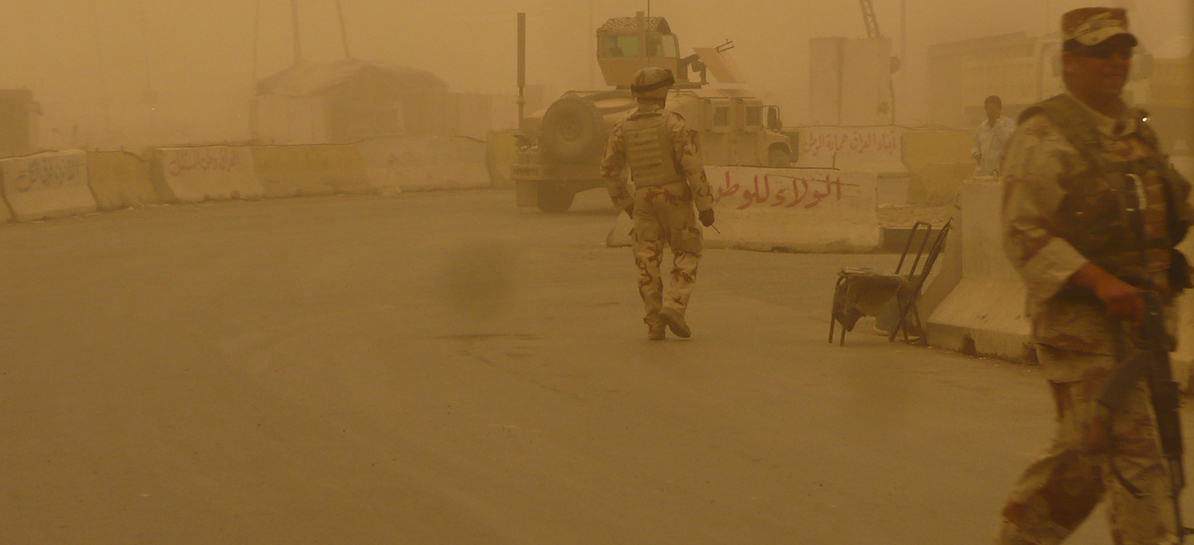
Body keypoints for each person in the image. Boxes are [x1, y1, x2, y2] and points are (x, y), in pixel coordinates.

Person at [997, 7, 1194, 544]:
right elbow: (1022, 233)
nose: (1114, 60)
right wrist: (1098, 281)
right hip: (1083, 331)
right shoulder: (1045, 132)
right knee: (1139, 463)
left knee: (1086, 458)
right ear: (1069, 62)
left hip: (1141, 328)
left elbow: (1164, 213)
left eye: (1123, 50)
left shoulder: (1136, 133)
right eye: (1099, 51)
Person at [599, 67, 716, 340]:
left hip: (642, 198)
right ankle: (674, 306)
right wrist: (705, 204)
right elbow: (692, 165)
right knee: (688, 252)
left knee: (646, 261)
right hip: (674, 196)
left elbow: (607, 169)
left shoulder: (622, 127)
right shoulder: (673, 122)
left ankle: (654, 323)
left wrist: (624, 202)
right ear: (663, 92)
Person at [972, 95, 1015, 176]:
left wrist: (996, 124)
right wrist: (976, 154)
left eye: (992, 108)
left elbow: (1007, 141)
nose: (989, 111)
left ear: (999, 108)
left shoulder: (1008, 123)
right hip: (983, 169)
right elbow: (975, 142)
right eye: (987, 108)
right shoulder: (982, 126)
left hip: (1000, 169)